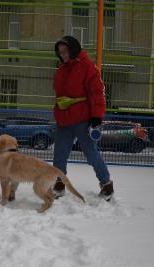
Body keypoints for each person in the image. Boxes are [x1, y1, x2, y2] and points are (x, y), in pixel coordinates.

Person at [52, 35, 114, 201]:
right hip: (64, 119)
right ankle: (59, 182)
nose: (63, 55)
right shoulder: (61, 70)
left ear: (73, 49)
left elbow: (97, 91)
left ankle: (106, 184)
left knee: (91, 153)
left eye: (65, 51)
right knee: (59, 154)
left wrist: (96, 116)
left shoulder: (87, 66)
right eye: (60, 53)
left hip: (82, 119)